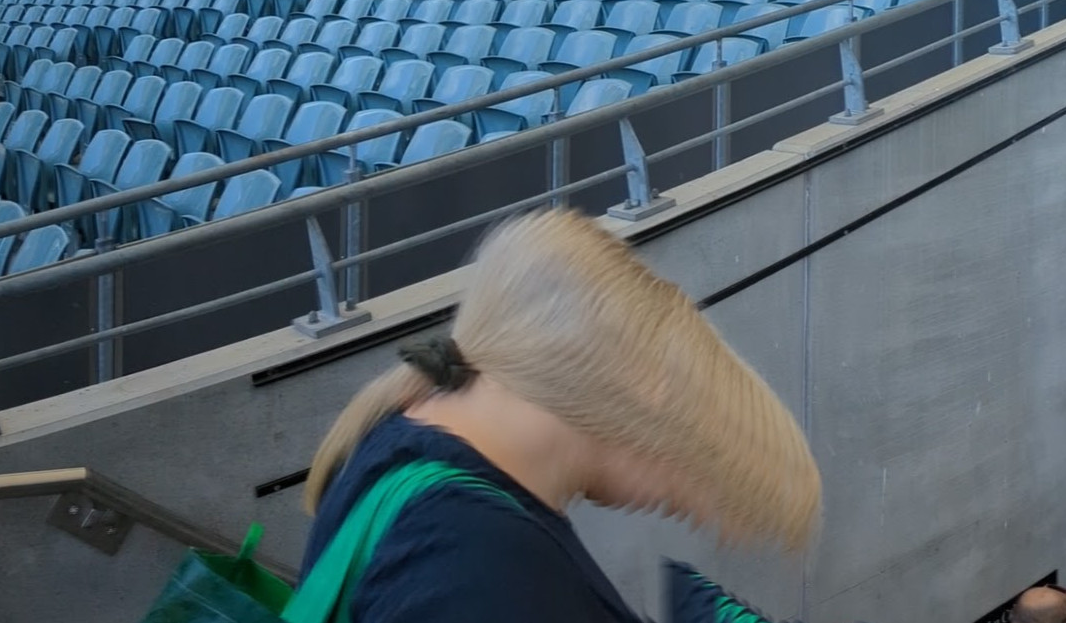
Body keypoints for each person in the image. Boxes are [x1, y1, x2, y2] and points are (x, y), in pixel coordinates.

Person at [280, 211, 821, 622]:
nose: (678, 502)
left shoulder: (399, 443)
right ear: (647, 394)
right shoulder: (481, 563)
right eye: (691, 470)